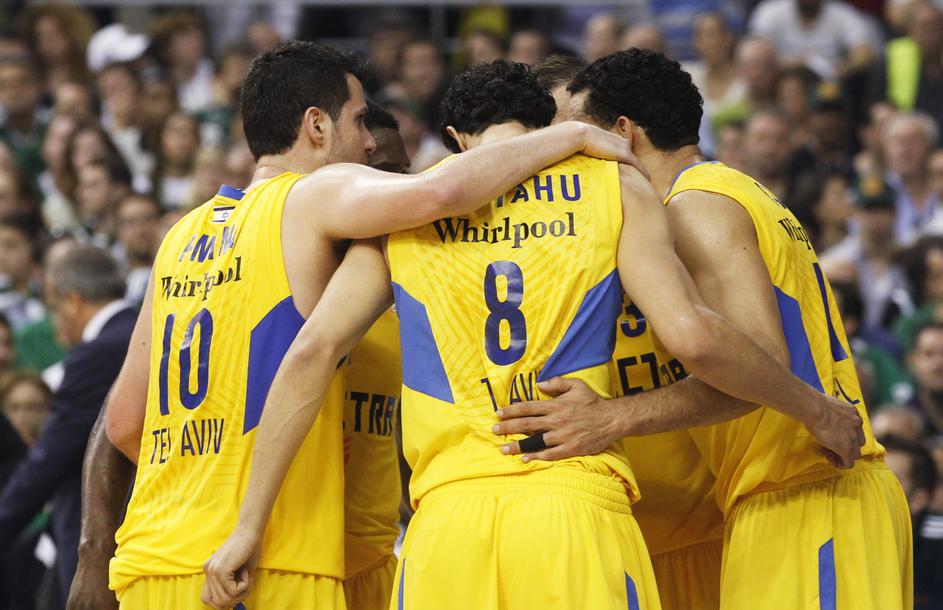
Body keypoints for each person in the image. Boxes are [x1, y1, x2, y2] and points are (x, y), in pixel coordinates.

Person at [204, 59, 863, 610]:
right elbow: (695, 338)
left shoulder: (402, 214)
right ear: (549, 125)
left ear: (457, 138)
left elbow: (311, 352)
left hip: (446, 525)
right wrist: (814, 408)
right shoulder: (610, 183)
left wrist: (247, 528)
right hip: (571, 505)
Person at [98, 41, 643, 610]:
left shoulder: (180, 236)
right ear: (316, 125)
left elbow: (125, 422)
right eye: (359, 121)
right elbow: (442, 192)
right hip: (266, 560)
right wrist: (568, 136)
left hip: (153, 557)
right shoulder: (311, 195)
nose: (368, 143)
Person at [497, 50, 909, 610]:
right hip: (788, 498)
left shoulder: (695, 205)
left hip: (810, 489)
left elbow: (759, 360)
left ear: (624, 132)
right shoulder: (728, 191)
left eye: (579, 132)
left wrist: (611, 418)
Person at [0, 244, 134, 604]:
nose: (56, 324)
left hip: (105, 538)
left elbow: (51, 456)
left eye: (54, 308)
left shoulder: (98, 354)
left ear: (73, 301)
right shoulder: (143, 331)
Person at [342, 101, 409, 610]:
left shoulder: (407, 292)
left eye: (405, 173)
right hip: (296, 560)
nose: (402, 189)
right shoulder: (291, 281)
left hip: (378, 560)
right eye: (386, 172)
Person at [880, 435, 943, 609]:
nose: (872, 490)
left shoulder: (938, 545)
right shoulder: (840, 540)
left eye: (887, 482)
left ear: (918, 499)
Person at [748, 0, 877, 79]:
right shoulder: (771, 11)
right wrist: (792, 65)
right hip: (780, 79)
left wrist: (846, 68)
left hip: (827, 84)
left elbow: (865, 53)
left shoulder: (843, 14)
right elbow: (753, 52)